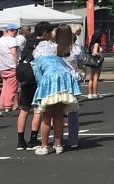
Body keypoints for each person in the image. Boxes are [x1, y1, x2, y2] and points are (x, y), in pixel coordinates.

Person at [31, 24, 82, 155]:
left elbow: (39, 78)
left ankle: (44, 146)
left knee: (47, 117)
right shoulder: (61, 54)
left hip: (51, 82)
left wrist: (40, 93)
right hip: (66, 81)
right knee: (58, 115)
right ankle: (58, 145)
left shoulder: (38, 57)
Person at [16, 21, 52, 150]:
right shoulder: (45, 45)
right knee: (38, 109)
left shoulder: (28, 43)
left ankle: (20, 141)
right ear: (45, 33)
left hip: (25, 78)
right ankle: (33, 139)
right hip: (37, 79)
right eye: (49, 33)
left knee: (24, 109)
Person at [0, 23, 20, 116]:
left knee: (5, 87)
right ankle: (8, 107)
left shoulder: (0, 40)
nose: (17, 33)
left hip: (2, 66)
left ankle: (2, 106)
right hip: (11, 66)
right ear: (12, 30)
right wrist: (16, 65)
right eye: (16, 30)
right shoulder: (11, 40)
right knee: (12, 88)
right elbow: (14, 53)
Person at [86, 32, 103, 99]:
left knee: (91, 78)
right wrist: (101, 55)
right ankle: (95, 93)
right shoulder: (96, 44)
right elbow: (95, 53)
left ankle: (90, 93)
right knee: (95, 77)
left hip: (92, 62)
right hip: (96, 62)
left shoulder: (92, 44)